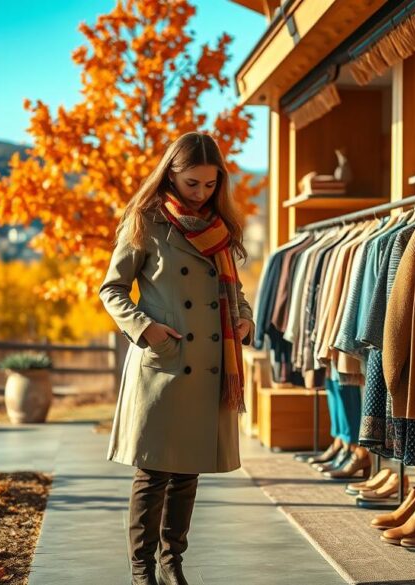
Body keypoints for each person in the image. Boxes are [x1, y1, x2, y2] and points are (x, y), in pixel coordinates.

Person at [98, 132, 254, 585]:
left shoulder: (219, 227)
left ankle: (172, 565)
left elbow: (235, 292)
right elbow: (111, 289)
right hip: (164, 362)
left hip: (208, 364)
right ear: (171, 173)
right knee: (154, 475)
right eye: (192, 183)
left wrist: (243, 321)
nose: (201, 193)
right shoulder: (145, 221)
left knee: (187, 473)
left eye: (209, 184)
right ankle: (141, 571)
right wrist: (145, 329)